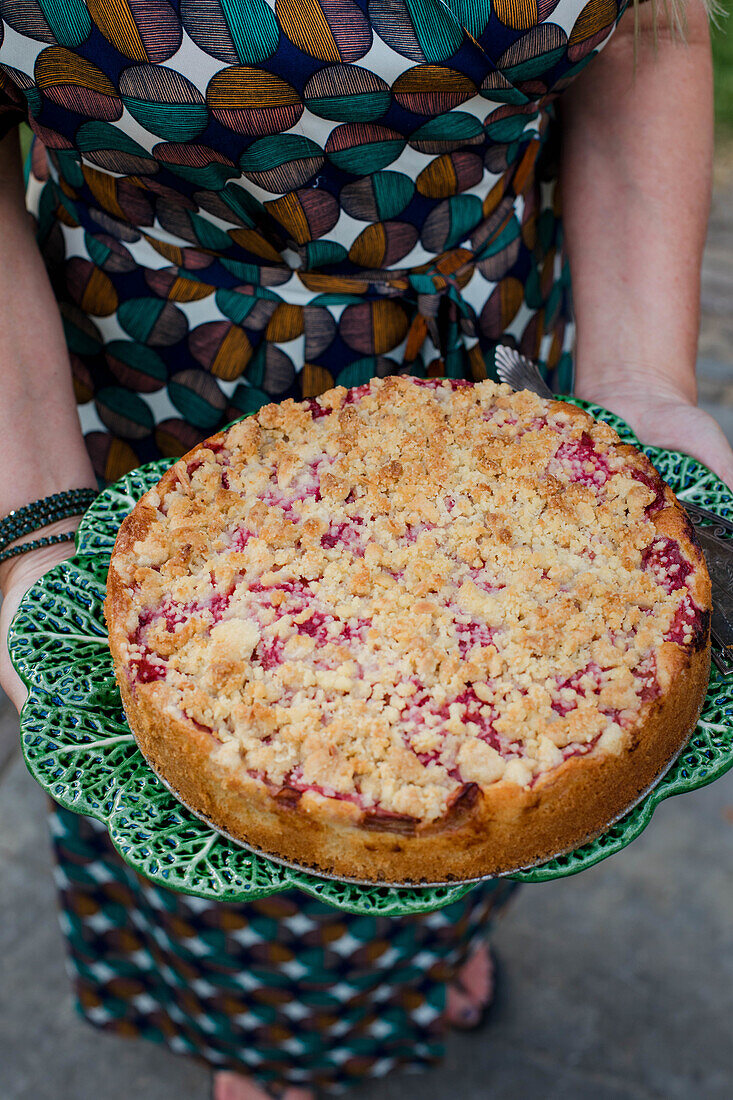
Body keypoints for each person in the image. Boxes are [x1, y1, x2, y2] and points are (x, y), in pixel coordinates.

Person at [0, 1, 731, 1097]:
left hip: (503, 373)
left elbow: (643, 28)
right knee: (228, 857)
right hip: (144, 385)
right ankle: (274, 1049)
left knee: (505, 805)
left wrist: (640, 388)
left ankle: (429, 942)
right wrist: (36, 523)